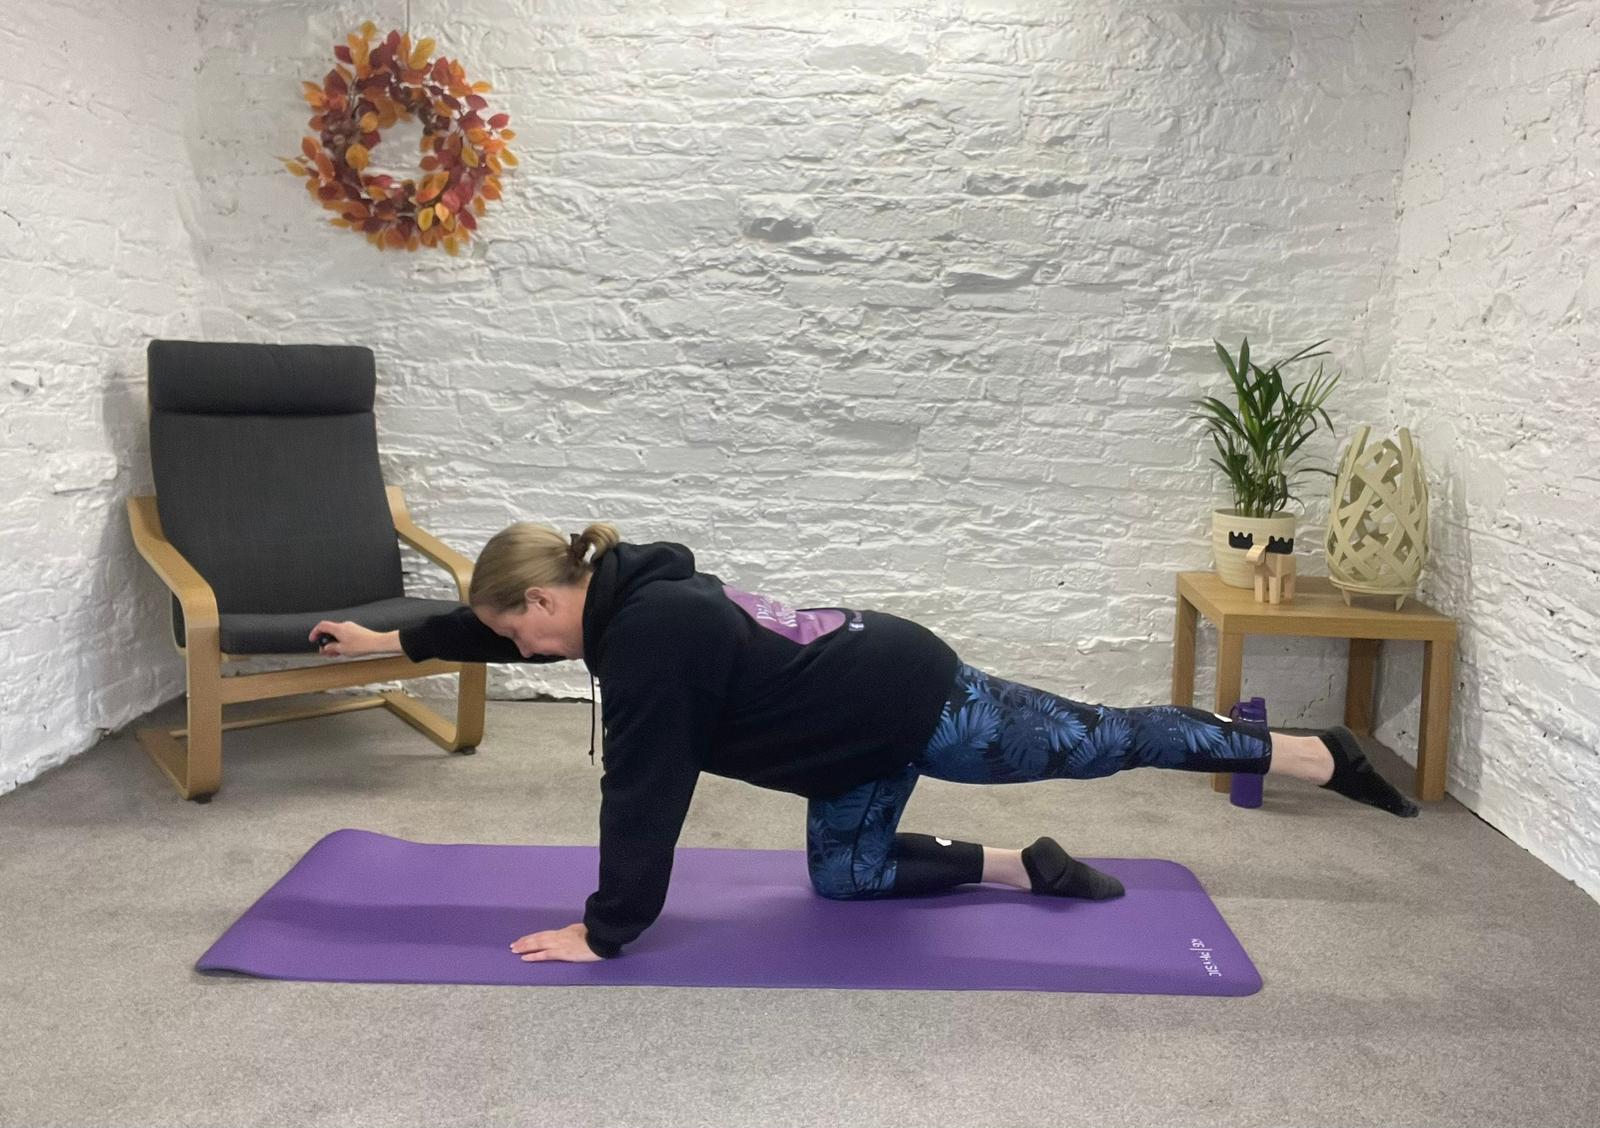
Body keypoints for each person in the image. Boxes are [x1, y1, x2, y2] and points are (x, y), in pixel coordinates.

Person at [311, 524, 1418, 963]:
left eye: (532, 625)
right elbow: (482, 625)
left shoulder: (650, 639)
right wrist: (391, 637)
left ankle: (1315, 753)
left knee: (1102, 741)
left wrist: (608, 931)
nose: (531, 648)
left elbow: (642, 793)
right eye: (516, 634)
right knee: (846, 882)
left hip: (911, 698)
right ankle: (1014, 864)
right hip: (839, 746)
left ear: (568, 585)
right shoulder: (607, 596)